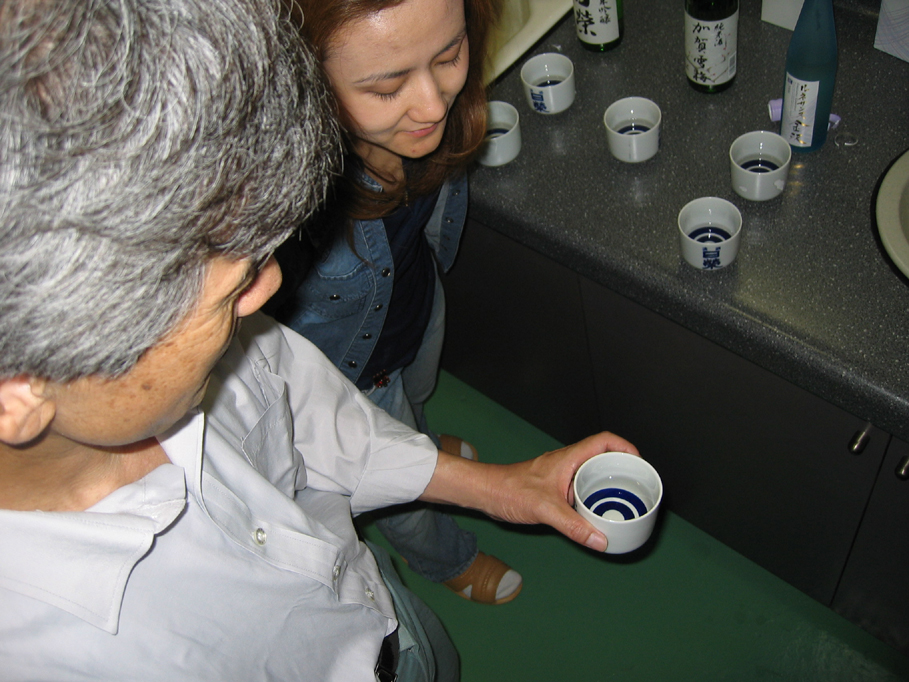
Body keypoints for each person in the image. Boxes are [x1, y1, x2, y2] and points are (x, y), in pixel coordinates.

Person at [0, 0, 639, 680]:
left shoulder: (167, 373)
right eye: (226, 293)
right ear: (18, 394)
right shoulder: (56, 654)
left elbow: (305, 414)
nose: (269, 288)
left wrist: (494, 486)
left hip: (384, 617)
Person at [267, 0, 520, 605]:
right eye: (386, 89)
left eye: (449, 55)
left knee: (421, 394)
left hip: (414, 301)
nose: (434, 106)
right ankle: (445, 559)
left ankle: (425, 446)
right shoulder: (287, 214)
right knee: (400, 485)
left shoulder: (433, 116)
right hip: (351, 375)